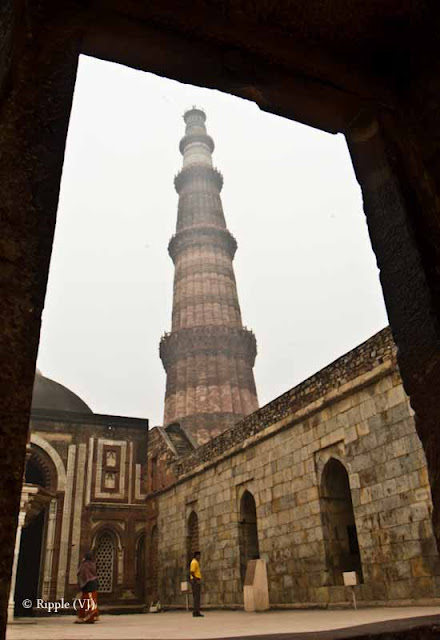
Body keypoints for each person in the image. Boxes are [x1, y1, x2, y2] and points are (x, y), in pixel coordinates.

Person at [76, 551, 99, 624]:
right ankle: (91, 616)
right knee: (91, 600)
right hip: (94, 583)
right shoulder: (92, 564)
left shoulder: (84, 564)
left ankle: (88, 618)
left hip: (88, 584)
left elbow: (80, 573)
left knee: (87, 601)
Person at [189, 551, 203, 617]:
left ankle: (196, 611)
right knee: (196, 597)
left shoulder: (195, 562)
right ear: (196, 555)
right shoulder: (194, 562)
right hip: (195, 580)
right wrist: (196, 580)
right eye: (199, 556)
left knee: (197, 597)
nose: (200, 557)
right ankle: (196, 612)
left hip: (195, 580)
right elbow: (192, 572)